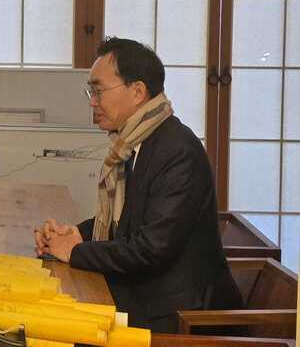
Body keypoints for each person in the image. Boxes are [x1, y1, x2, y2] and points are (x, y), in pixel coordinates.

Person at [34, 37, 243, 333]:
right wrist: (75, 234)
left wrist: (75, 251)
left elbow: (150, 248)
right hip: (147, 293)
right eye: (90, 92)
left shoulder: (178, 151)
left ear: (137, 92)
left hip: (181, 314)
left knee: (58, 324)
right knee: (47, 307)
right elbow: (126, 220)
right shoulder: (134, 143)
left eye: (98, 91)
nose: (92, 101)